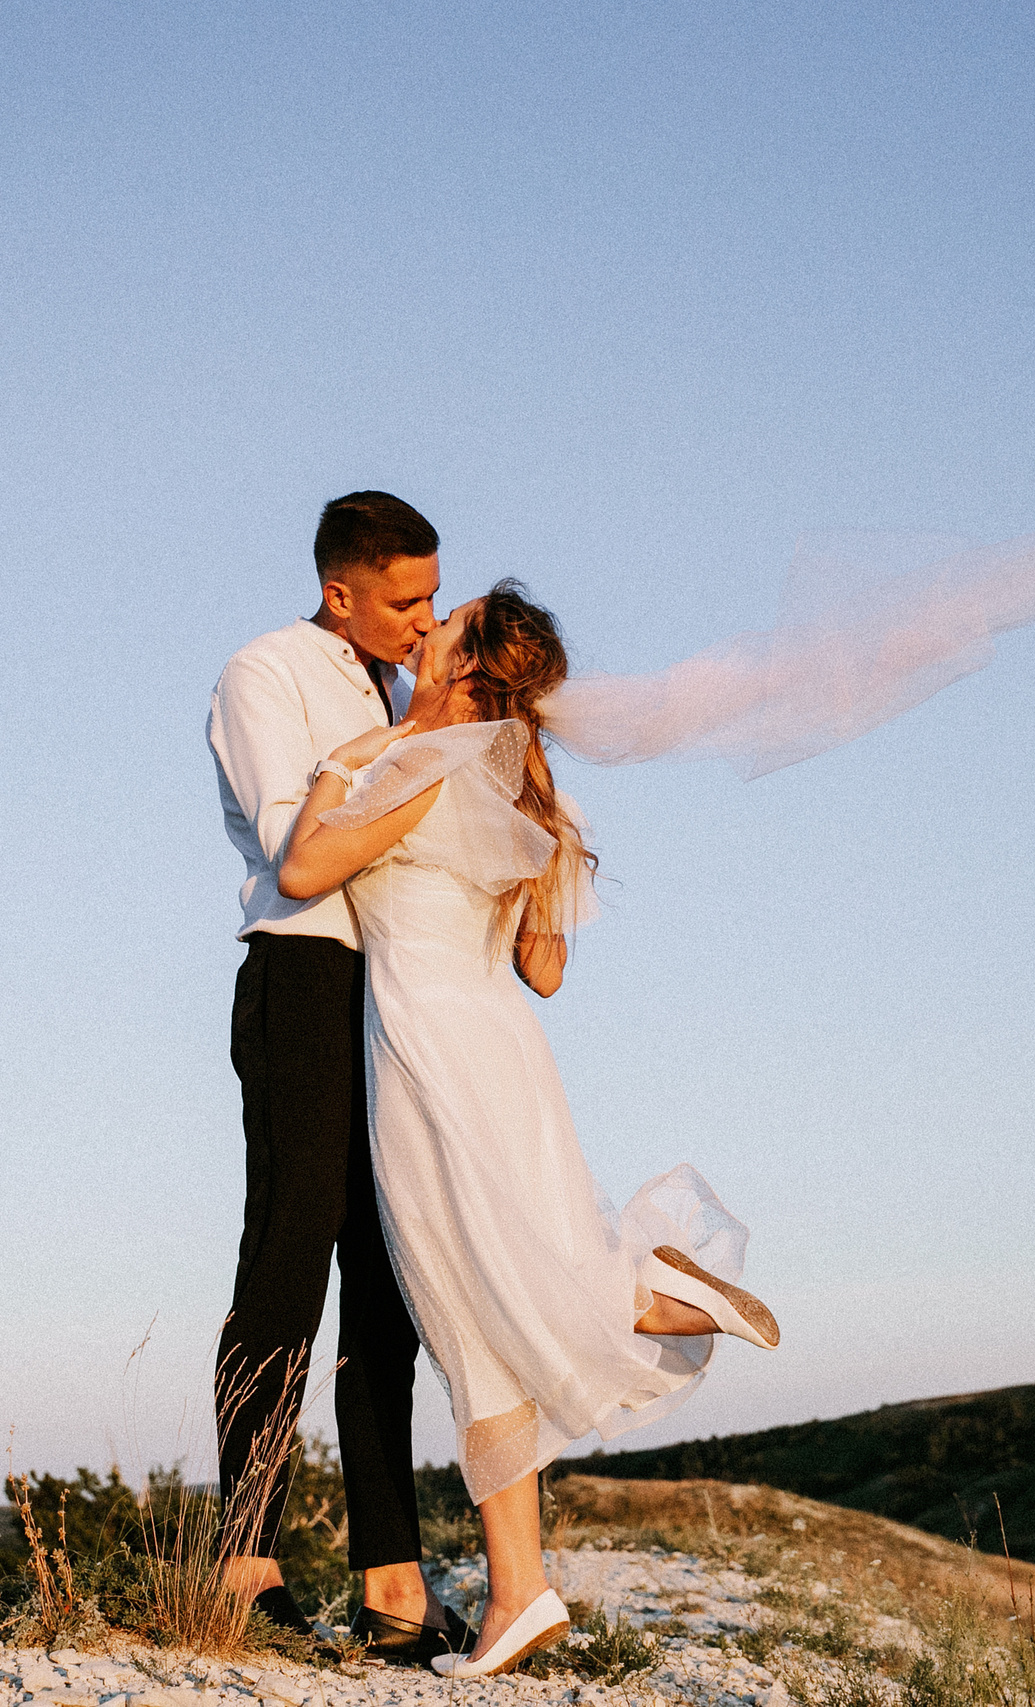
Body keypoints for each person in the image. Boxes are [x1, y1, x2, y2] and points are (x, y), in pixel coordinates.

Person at [276, 582, 780, 1679]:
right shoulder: (535, 793)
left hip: (429, 1057)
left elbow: (302, 868)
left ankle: (646, 1288)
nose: (425, 630)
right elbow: (543, 969)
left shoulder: (422, 765)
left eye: (445, 625)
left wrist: (347, 760)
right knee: (485, 1318)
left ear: (464, 669)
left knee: (468, 1305)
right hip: (507, 1048)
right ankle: (521, 1592)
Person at [203, 490, 473, 1663]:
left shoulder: (401, 691)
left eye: (432, 597)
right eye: (406, 601)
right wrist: (419, 738)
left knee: (389, 1274)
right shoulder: (263, 671)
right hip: (303, 977)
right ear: (339, 592)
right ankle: (241, 1565)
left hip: (396, 992)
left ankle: (392, 1580)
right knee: (288, 1251)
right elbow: (294, 850)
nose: (425, 620)